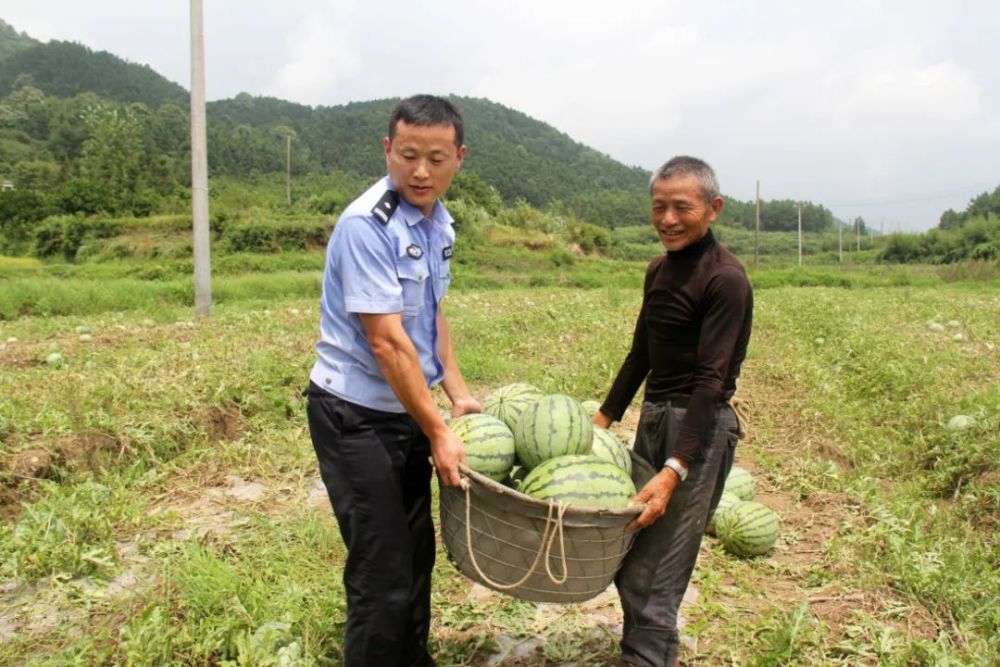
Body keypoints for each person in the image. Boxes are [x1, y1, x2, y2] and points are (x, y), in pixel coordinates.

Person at [305, 94, 481, 667]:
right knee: (381, 572)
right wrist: (437, 430)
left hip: (405, 410)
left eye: (435, 157)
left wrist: (457, 394)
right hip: (355, 416)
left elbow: (430, 318)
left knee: (415, 556)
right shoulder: (367, 224)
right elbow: (387, 341)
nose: (420, 171)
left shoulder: (438, 222)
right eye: (407, 155)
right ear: (388, 150)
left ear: (459, 156)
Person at [593, 156, 754, 667]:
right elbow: (641, 353)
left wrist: (674, 469)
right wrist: (602, 421)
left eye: (681, 208)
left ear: (713, 209)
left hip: (699, 427)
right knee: (634, 550)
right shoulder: (659, 270)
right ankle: (640, 650)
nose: (667, 219)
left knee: (660, 565)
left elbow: (711, 382)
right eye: (658, 207)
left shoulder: (726, 278)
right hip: (657, 415)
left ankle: (647, 657)